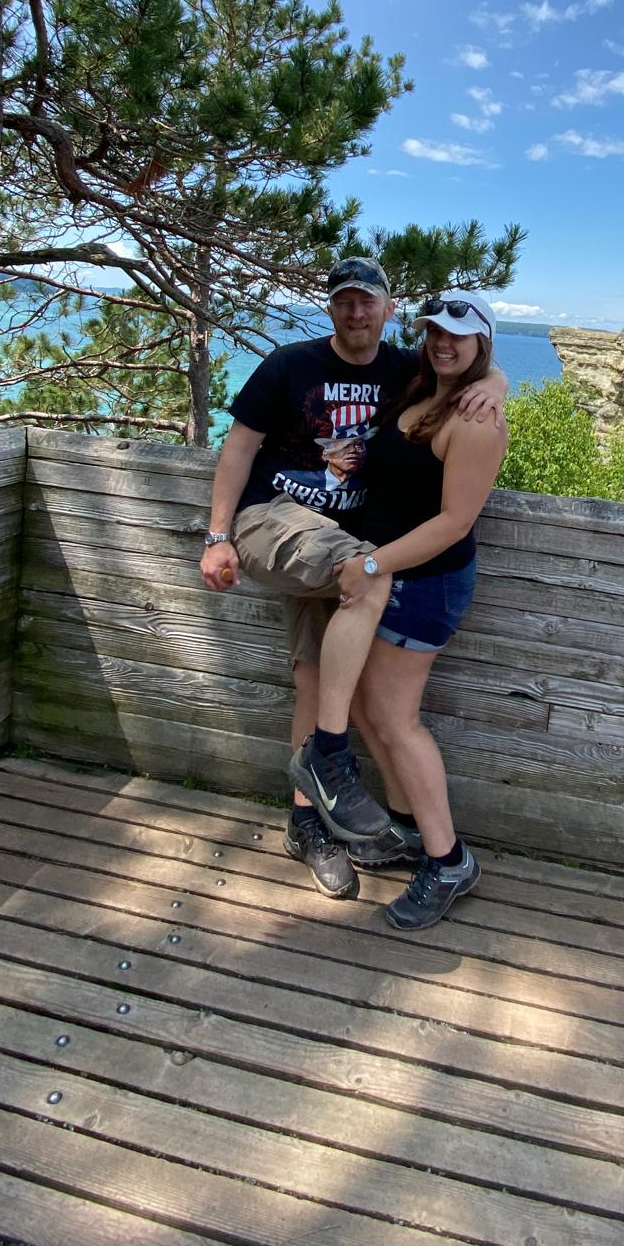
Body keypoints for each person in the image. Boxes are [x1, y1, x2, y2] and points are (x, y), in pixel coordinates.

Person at [198, 257, 505, 901]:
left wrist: (497, 380)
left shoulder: (405, 370)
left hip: (355, 544)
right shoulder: (290, 364)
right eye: (344, 300)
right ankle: (329, 760)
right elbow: (240, 445)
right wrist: (219, 535)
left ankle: (310, 821)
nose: (356, 312)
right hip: (281, 523)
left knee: (319, 674)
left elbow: (466, 373)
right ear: (330, 307)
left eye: (368, 301)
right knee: (368, 583)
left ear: (388, 310)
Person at [295, 292, 507, 929]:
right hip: (391, 574)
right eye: (436, 331)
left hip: (423, 582)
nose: (444, 343)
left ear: (482, 345)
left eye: (460, 337)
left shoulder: (476, 420)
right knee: (365, 706)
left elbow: (453, 522)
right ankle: (412, 833)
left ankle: (448, 861)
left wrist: (371, 565)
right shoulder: (424, 388)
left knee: (393, 716)